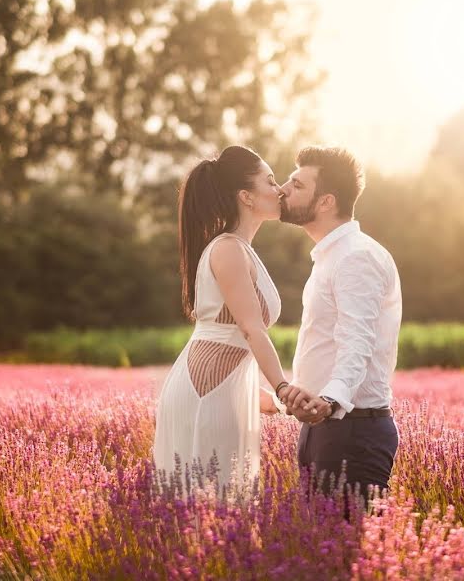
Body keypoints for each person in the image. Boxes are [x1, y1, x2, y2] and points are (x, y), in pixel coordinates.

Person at [152, 145, 318, 494]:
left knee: (218, 508)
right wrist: (283, 387)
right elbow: (249, 329)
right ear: (246, 196)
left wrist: (267, 399)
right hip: (203, 393)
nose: (279, 189)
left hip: (219, 389)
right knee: (208, 505)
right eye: (270, 181)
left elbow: (232, 345)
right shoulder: (227, 248)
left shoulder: (241, 250)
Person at [276, 146, 403, 507]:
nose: (283, 189)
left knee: (344, 555)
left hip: (352, 431)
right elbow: (325, 345)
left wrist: (330, 400)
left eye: (297, 185)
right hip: (326, 426)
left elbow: (356, 342)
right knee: (323, 553)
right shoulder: (332, 257)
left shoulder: (355, 257)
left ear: (326, 201)